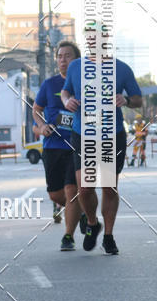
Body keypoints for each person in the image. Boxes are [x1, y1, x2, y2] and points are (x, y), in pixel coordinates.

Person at [61, 29, 142, 255]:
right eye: (89, 38)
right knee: (84, 188)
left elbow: (138, 99)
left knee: (109, 186)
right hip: (83, 133)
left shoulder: (121, 68)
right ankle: (93, 224)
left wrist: (126, 99)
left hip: (111, 134)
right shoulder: (76, 66)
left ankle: (108, 235)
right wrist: (67, 101)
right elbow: (65, 91)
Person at [32, 41, 86, 250]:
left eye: (68, 56)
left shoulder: (85, 83)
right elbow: (36, 109)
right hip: (53, 145)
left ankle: (68, 237)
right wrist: (42, 125)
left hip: (77, 144)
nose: (63, 60)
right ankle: (83, 212)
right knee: (55, 194)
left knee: (71, 189)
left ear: (77, 60)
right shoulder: (49, 84)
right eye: (59, 56)